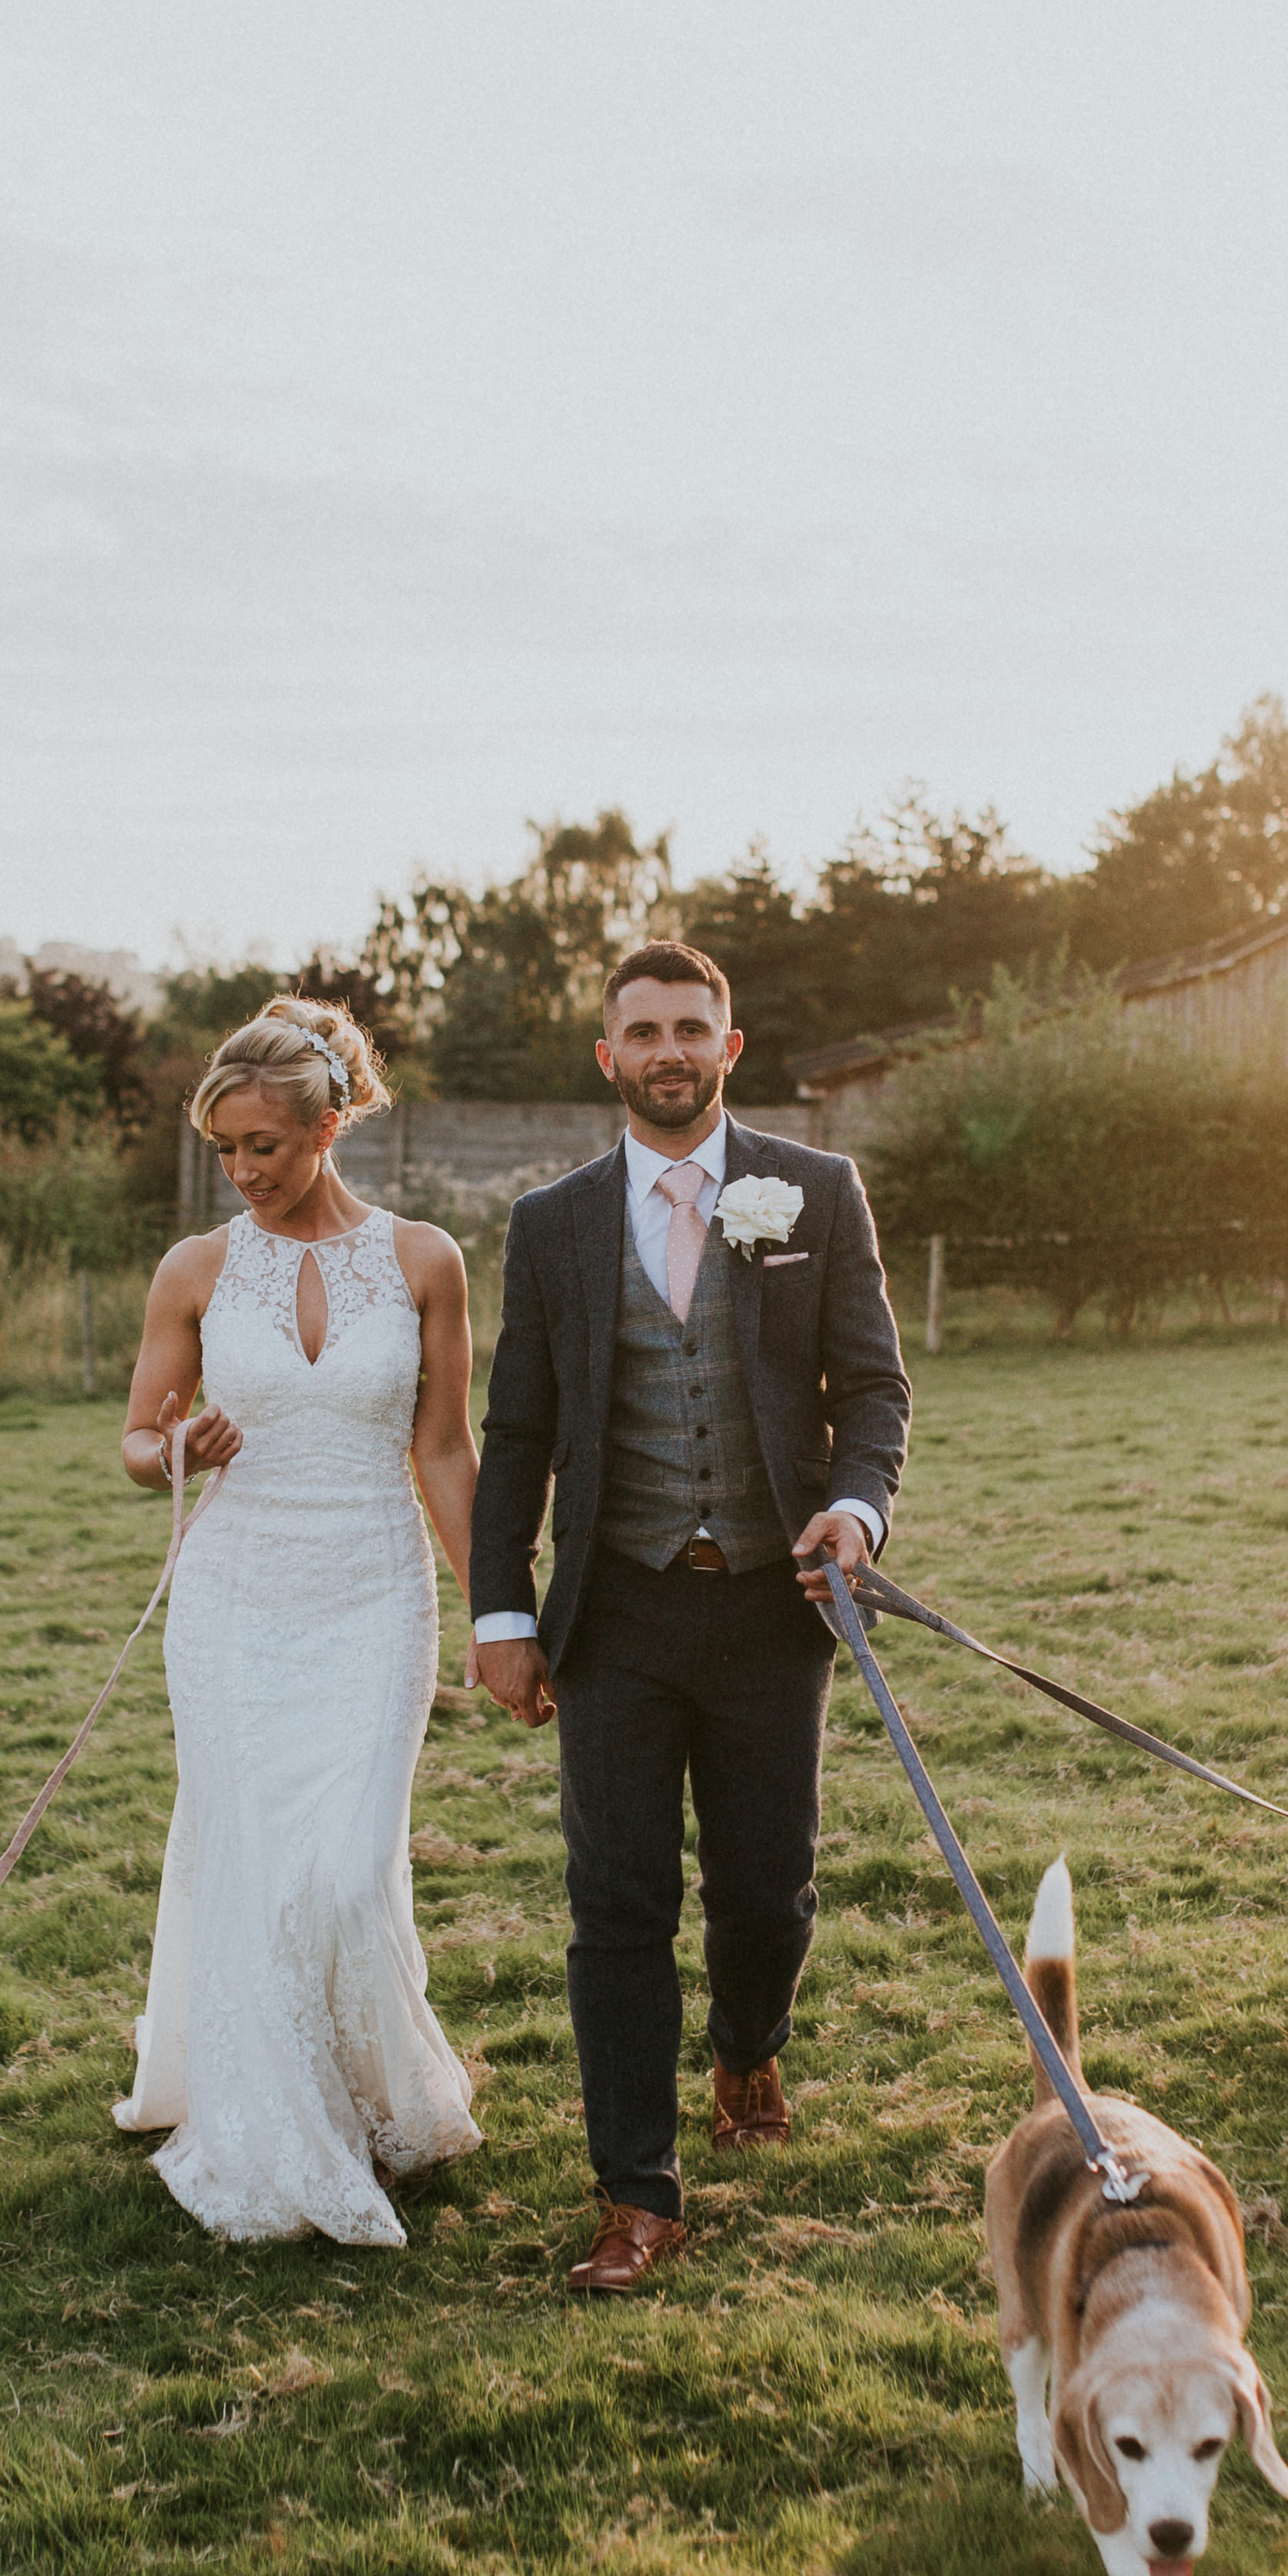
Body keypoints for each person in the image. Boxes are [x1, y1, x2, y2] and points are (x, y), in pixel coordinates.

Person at [466, 941, 911, 2294]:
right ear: (608, 1057)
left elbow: (875, 1391)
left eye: (691, 1028)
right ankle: (637, 2191)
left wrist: (857, 1509)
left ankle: (746, 2045)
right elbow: (522, 1426)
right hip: (619, 1613)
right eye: (642, 1030)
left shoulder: (811, 1189)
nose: (668, 1049)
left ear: (731, 1044)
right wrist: (501, 1606)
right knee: (616, 1902)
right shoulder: (552, 1223)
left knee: (766, 1889)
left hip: (777, 1605)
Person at [105, 997, 483, 2244]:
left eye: (263, 1144)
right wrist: (179, 1445)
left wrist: (503, 1611)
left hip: (374, 1591)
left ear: (330, 1126)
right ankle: (276, 2130)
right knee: (260, 1867)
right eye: (226, 1149)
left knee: (342, 1867)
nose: (243, 1171)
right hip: (233, 1602)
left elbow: (442, 1447)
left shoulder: (426, 1259)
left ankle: (367, 2095)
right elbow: (134, 1440)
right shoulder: (197, 1269)